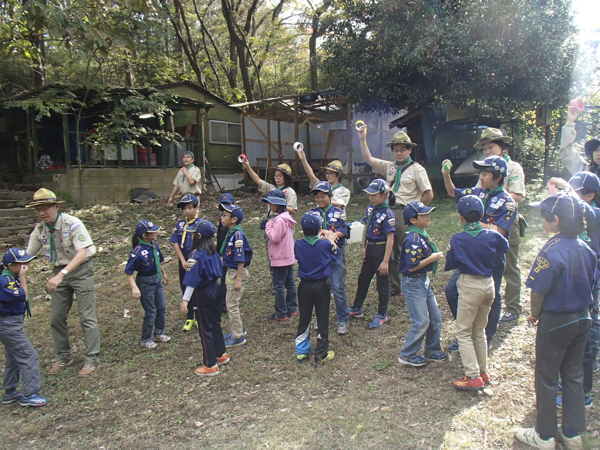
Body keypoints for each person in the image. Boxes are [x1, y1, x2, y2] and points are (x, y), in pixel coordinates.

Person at [515, 193, 596, 449]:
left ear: (556, 220)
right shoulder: (587, 248)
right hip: (583, 318)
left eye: (544, 215)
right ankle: (572, 434)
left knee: (547, 377)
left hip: (556, 320)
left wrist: (534, 314)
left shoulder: (550, 250)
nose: (541, 219)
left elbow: (538, 290)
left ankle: (545, 435)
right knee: (573, 374)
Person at [442, 155, 517, 349]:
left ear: (497, 177)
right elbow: (452, 192)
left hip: (491, 256)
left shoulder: (507, 202)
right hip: (469, 252)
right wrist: (445, 174)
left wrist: (473, 222)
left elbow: (499, 231)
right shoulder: (477, 192)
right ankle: (466, 331)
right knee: (452, 290)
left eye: (485, 173)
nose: (481, 177)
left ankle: (486, 336)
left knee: (492, 296)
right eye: (480, 173)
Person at [25, 188, 100, 377]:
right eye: (38, 209)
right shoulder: (40, 229)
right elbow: (27, 255)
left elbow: (82, 253)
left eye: (46, 208)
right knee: (56, 317)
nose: (42, 213)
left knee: (86, 316)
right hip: (58, 272)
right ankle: (63, 356)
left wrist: (62, 275)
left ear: (56, 206)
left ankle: (92, 359)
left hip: (80, 269)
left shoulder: (72, 223)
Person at [357, 126, 433, 297]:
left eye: (403, 150)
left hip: (405, 210)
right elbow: (368, 159)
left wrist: (415, 213)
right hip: (387, 209)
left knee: (400, 248)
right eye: (396, 150)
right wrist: (362, 139)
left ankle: (400, 285)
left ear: (409, 150)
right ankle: (392, 285)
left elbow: (428, 193)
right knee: (386, 247)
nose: (399, 153)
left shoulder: (417, 169)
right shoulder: (390, 167)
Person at [445, 195, 509, 391]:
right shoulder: (493, 235)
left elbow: (451, 263)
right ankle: (482, 370)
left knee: (464, 331)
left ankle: (472, 375)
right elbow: (503, 249)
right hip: (488, 283)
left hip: (469, 284)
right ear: (482, 214)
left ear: (460, 217)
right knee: (479, 329)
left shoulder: (457, 239)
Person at [548, 172, 600, 409]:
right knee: (575, 334)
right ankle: (570, 383)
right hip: (575, 273)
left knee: (585, 334)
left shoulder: (591, 213)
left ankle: (582, 394)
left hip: (588, 276)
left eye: (577, 192)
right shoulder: (582, 213)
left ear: (589, 196)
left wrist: (563, 186)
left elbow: (577, 206)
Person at [473, 128, 526, 323]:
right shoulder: (484, 168)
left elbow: (518, 195)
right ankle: (490, 303)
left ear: (501, 147)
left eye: (491, 147)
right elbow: (477, 192)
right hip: (485, 222)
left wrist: (496, 197)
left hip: (506, 220)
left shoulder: (513, 168)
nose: (488, 151)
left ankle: (513, 306)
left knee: (509, 265)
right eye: (485, 148)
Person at [397, 201, 446, 367]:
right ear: (413, 220)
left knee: (435, 318)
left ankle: (432, 350)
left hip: (423, 280)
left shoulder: (422, 235)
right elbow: (412, 266)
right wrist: (432, 258)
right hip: (413, 282)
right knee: (421, 320)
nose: (428, 216)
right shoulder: (413, 239)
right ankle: (407, 354)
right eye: (424, 214)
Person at [180, 219, 229, 377]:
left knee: (204, 328)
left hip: (204, 292)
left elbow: (192, 280)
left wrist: (185, 300)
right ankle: (221, 354)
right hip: (216, 288)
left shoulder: (196, 254)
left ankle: (210, 364)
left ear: (199, 236)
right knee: (215, 323)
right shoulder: (214, 252)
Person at [0, 248, 47, 407]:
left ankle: (9, 391)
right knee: (28, 355)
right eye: (21, 264)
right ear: (10, 265)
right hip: (7, 325)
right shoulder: (5, 281)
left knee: (13, 357)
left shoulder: (10, 278)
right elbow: (23, 296)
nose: (26, 266)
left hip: (12, 323)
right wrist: (23, 278)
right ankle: (30, 394)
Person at [349, 179, 396, 330]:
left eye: (374, 195)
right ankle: (356, 307)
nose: (371, 198)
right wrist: (363, 245)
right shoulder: (370, 209)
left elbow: (390, 238)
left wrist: (386, 261)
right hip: (370, 249)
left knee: (382, 284)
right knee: (363, 278)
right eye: (369, 195)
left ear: (384, 195)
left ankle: (382, 314)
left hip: (382, 251)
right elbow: (366, 226)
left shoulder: (388, 213)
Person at [294, 213, 338, 365]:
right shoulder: (324, 244)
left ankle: (301, 351)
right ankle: (321, 352)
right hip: (321, 285)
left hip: (304, 285)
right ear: (320, 228)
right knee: (322, 317)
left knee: (304, 317)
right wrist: (331, 240)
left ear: (302, 228)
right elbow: (335, 254)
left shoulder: (298, 244)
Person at [307, 181, 350, 335]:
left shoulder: (339, 212)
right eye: (317, 197)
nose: (320, 199)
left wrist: (330, 235)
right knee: (321, 289)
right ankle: (321, 318)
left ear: (331, 196)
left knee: (337, 288)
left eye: (323, 196)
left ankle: (343, 319)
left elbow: (344, 230)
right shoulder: (312, 214)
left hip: (334, 255)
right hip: (319, 258)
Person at [125, 220, 171, 349]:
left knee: (161, 308)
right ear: (145, 235)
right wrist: (134, 287)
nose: (156, 233)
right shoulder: (138, 251)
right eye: (153, 232)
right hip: (145, 283)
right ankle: (145, 339)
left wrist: (163, 273)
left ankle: (158, 332)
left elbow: (158, 261)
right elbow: (128, 272)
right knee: (151, 311)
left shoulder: (154, 245)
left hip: (157, 279)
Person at [219, 204, 252, 347]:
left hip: (235, 273)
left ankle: (237, 336)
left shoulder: (237, 235)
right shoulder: (231, 233)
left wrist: (238, 279)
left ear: (234, 219)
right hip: (231, 271)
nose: (221, 217)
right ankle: (238, 329)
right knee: (232, 302)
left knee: (231, 304)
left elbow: (240, 259)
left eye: (224, 215)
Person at [262, 190, 298, 321]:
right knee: (290, 283)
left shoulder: (279, 220)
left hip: (279, 258)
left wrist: (268, 226)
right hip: (288, 256)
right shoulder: (288, 218)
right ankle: (292, 308)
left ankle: (281, 313)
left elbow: (274, 237)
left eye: (272, 203)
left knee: (279, 285)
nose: (270, 205)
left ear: (278, 204)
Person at [169, 194, 200, 332]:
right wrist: (182, 260)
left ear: (196, 207)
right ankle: (189, 316)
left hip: (196, 261)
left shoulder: (200, 224)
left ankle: (199, 315)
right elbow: (175, 243)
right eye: (184, 209)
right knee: (184, 286)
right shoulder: (180, 225)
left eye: (190, 208)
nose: (187, 211)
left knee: (197, 288)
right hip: (183, 261)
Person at [558, 101, 600, 176]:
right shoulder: (586, 170)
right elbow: (567, 152)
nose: (598, 154)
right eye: (596, 150)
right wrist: (570, 121)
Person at [216, 193, 235, 314]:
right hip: (222, 255)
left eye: (228, 204)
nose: (226, 207)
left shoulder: (232, 221)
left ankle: (224, 302)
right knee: (224, 279)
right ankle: (222, 303)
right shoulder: (222, 220)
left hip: (229, 255)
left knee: (228, 279)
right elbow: (220, 240)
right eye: (223, 205)